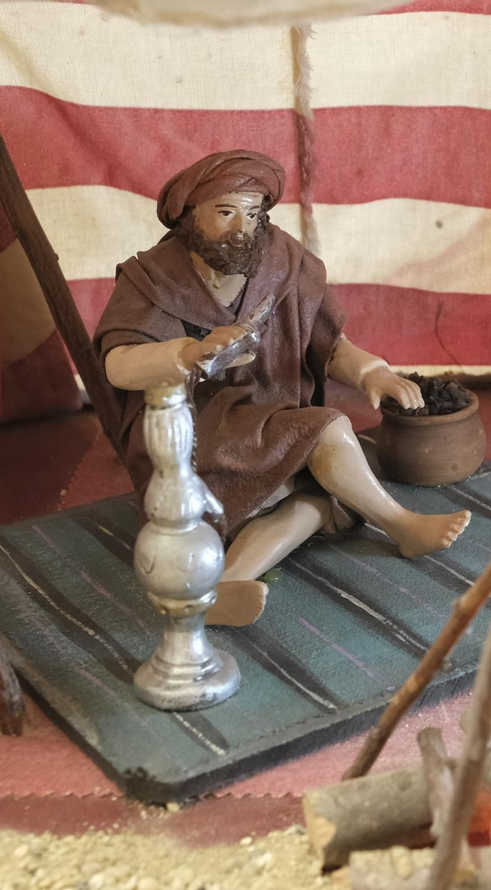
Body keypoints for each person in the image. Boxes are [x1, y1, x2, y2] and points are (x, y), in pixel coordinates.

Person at [93, 150, 470, 627]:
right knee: (328, 430)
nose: (242, 229)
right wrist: (190, 354)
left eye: (253, 214)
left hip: (273, 415)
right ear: (190, 216)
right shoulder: (154, 278)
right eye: (225, 212)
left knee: (317, 500)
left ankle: (221, 588)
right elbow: (119, 365)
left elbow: (327, 344)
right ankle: (401, 525)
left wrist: (371, 372)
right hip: (194, 430)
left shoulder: (284, 263)